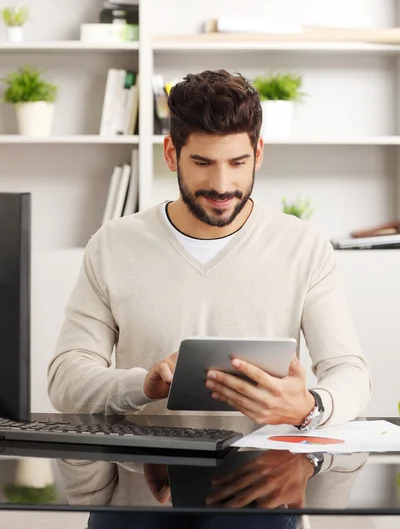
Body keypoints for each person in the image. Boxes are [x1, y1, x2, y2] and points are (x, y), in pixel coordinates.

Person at [47, 69, 371, 429]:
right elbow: (65, 379)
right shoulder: (112, 245)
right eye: (202, 163)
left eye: (237, 163)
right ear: (172, 154)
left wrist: (311, 407)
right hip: (149, 475)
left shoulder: (303, 246)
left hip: (267, 473)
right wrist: (141, 386)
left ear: (258, 154)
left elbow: (349, 371)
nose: (221, 185)